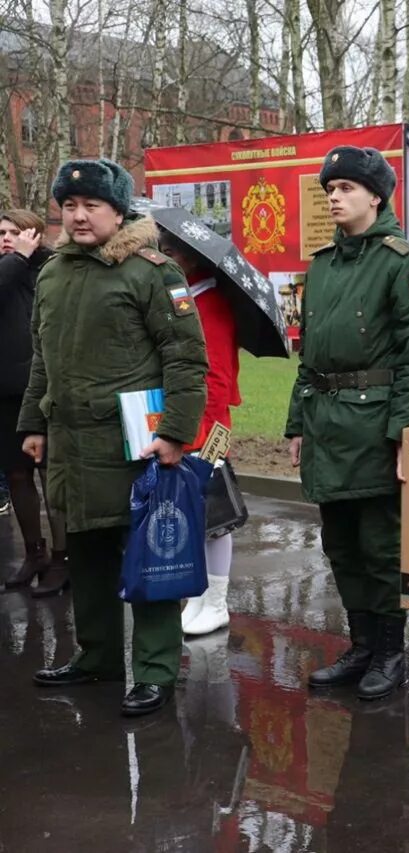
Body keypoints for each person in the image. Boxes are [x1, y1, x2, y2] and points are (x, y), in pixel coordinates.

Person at [18, 158, 209, 717]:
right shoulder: (52, 272)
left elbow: (185, 359)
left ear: (118, 211)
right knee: (88, 553)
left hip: (133, 446)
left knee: (151, 559)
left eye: (91, 206)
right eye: (69, 206)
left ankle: (154, 671)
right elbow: (41, 359)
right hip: (71, 446)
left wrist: (175, 433)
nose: (78, 216)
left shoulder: (152, 272)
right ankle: (97, 657)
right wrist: (33, 423)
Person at [285, 146, 409, 701]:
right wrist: (297, 424)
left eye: (346, 188)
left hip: (374, 428)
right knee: (341, 545)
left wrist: (403, 434)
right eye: (330, 189)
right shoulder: (322, 265)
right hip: (327, 426)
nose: (334, 197)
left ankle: (392, 650)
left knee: (381, 547)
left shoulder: (406, 264)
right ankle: (361, 644)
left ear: (376, 195)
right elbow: (309, 359)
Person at [157, 227, 241, 636]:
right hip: (194, 424)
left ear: (191, 258)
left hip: (209, 427)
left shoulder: (211, 303)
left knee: (214, 512)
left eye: (170, 250)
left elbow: (218, 377)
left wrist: (199, 433)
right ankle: (199, 597)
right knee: (194, 512)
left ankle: (217, 603)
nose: (162, 256)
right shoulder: (188, 298)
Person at [0, 208, 68, 596]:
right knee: (17, 475)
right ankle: (34, 552)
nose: (7, 238)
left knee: (51, 476)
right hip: (6, 395)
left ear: (36, 235)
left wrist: (25, 259)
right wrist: (15, 259)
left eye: (16, 232)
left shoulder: (51, 270)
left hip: (44, 392)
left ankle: (62, 559)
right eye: (1, 232)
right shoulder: (7, 270)